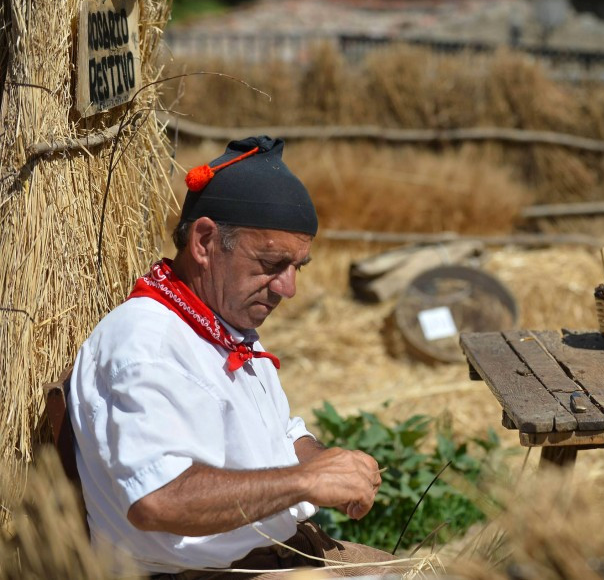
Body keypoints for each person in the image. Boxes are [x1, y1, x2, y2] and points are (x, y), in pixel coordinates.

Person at [68, 136, 398, 578]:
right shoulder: (146, 345)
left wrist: (324, 461)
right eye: (271, 263)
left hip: (278, 554)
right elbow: (157, 500)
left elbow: (280, 433)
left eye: (298, 267)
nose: (288, 288)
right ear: (204, 241)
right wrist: (305, 481)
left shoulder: (223, 324)